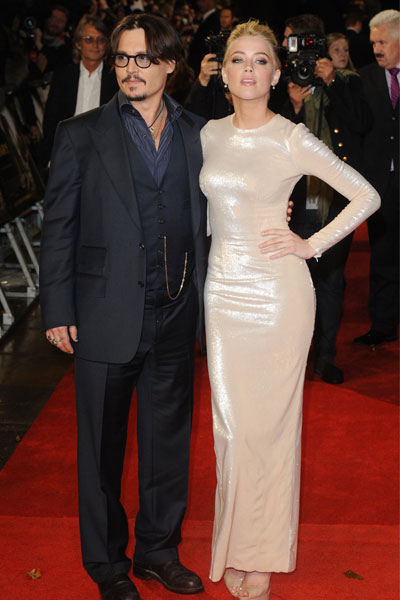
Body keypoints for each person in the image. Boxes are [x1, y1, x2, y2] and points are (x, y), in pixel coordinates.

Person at [199, 20, 379, 599]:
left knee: (270, 430)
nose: (248, 70)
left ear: (276, 75)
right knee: (231, 428)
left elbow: (367, 194)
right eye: (237, 59)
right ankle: (235, 543)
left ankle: (260, 555)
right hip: (223, 294)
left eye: (260, 61)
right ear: (223, 72)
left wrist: (311, 243)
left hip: (278, 295)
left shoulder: (291, 137)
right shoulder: (208, 134)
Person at [39, 13, 208, 600]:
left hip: (176, 309)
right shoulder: (79, 133)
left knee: (168, 446)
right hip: (103, 313)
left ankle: (158, 552)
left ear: (169, 64)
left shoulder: (200, 133)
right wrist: (57, 308)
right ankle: (108, 563)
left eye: (143, 58)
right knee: (101, 451)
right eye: (122, 58)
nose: (130, 69)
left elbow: (226, 207)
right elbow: (58, 227)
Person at [280, 16, 372, 384]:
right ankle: (294, 359)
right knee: (292, 280)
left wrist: (331, 81)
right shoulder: (279, 84)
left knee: (332, 279)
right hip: (293, 195)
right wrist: (293, 108)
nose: (292, 51)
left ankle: (325, 357)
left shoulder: (346, 81)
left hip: (334, 197)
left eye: (296, 42)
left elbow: (362, 124)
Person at [353, 9, 399, 346]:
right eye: (373, 43)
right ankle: (383, 325)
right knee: (383, 256)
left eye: (382, 42)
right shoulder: (363, 78)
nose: (376, 49)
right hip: (381, 184)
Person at [41, 14, 119, 167]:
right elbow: (50, 120)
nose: (95, 45)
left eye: (101, 40)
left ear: (106, 45)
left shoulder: (116, 80)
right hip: (68, 155)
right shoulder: (63, 77)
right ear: (78, 44)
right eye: (89, 39)